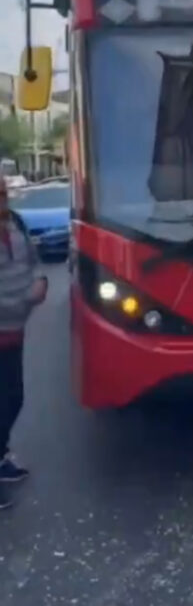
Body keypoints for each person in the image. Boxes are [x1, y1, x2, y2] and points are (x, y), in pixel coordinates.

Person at [0, 174, 48, 510]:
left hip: (14, 329)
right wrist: (25, 300)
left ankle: (2, 456)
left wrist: (42, 281)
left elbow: (32, 262)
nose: (2, 197)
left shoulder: (15, 223)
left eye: (2, 191)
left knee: (13, 397)